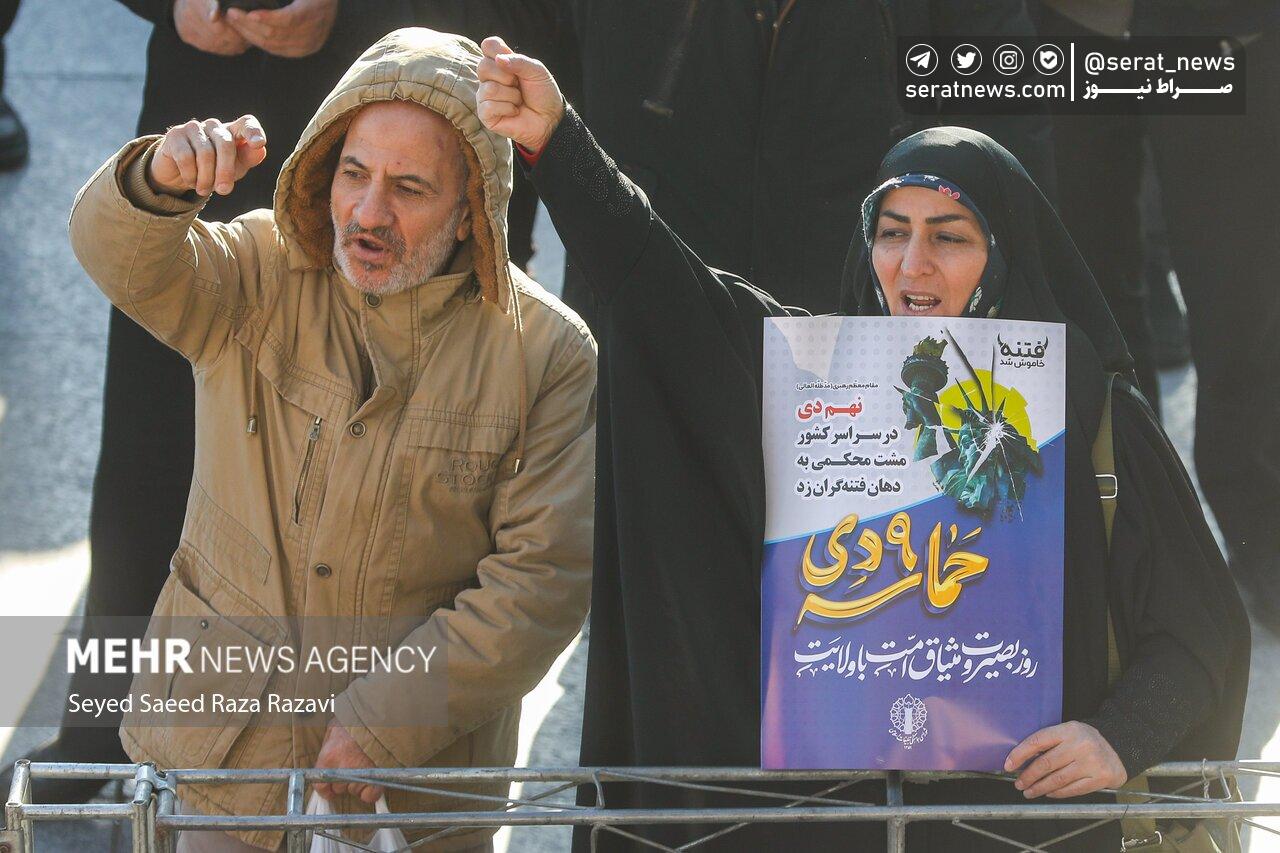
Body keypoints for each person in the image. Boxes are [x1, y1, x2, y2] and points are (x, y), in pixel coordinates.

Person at [475, 37, 1249, 851]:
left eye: (950, 237)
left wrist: (1118, 737)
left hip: (1030, 828)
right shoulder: (812, 382)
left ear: (1004, 252)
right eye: (891, 232)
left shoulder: (1090, 411)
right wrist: (559, 143)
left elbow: (1202, 632)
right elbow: (665, 291)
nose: (912, 265)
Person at [69, 27, 596, 852]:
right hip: (220, 761)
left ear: (473, 210)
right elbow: (115, 252)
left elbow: (540, 584)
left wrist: (383, 724)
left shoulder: (547, 354)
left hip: (415, 793)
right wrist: (155, 180)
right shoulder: (260, 267)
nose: (367, 212)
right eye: (354, 173)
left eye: (409, 187)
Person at [1036, 0, 1280, 624]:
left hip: (1221, 26)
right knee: (1091, 291)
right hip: (1068, 24)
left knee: (1239, 295)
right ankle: (1136, 523)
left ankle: (1261, 529)